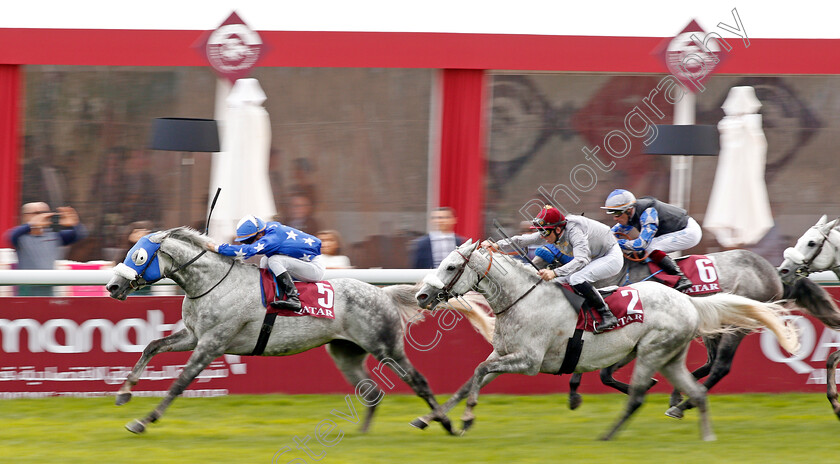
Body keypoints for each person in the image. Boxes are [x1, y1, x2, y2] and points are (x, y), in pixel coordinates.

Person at [480, 205, 622, 334]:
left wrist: (554, 272)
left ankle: (607, 315)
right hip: (594, 256)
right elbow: (523, 240)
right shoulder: (552, 230)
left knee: (576, 278)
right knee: (557, 283)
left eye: (544, 233)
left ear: (558, 229)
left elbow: (581, 260)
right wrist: (497, 245)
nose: (542, 237)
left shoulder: (575, 232)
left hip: (610, 255)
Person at [206, 215, 324, 311]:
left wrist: (217, 248)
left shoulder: (272, 238)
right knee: (265, 260)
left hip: (314, 268)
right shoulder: (268, 230)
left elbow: (248, 251)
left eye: (247, 240)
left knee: (274, 260)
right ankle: (268, 293)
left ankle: (293, 298)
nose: (246, 243)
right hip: (304, 263)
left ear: (260, 235)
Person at [601, 189, 701, 292]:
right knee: (647, 248)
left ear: (629, 210)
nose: (615, 218)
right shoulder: (630, 213)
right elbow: (611, 234)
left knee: (651, 247)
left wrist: (617, 242)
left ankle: (681, 278)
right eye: (612, 213)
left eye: (617, 213)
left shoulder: (648, 213)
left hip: (689, 232)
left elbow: (641, 244)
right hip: (677, 230)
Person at [5, 202, 88, 296]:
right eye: (36, 213)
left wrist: (74, 224)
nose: (41, 216)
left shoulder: (54, 236)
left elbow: (79, 235)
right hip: (26, 289)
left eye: (44, 212)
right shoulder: (20, 237)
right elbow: (11, 236)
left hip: (48, 289)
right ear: (25, 216)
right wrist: (32, 225)